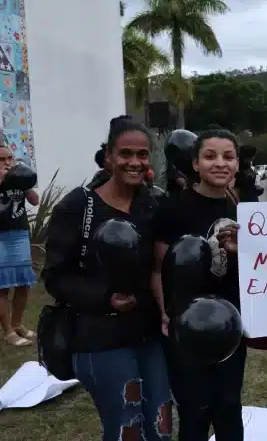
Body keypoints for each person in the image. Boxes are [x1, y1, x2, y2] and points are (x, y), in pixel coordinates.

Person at [42, 117, 171, 440]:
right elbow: (56, 277)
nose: (134, 162)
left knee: (161, 426)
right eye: (125, 153)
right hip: (99, 339)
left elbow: (162, 264)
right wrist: (104, 298)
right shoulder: (78, 206)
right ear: (109, 156)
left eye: (142, 155)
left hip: (148, 336)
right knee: (127, 429)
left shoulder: (154, 203)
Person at [152, 128, 246, 441]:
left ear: (237, 163)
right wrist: (166, 312)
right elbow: (159, 268)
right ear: (195, 164)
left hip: (231, 324)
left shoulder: (241, 209)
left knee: (229, 406)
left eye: (228, 156)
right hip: (187, 326)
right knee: (195, 410)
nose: (220, 163)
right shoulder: (173, 209)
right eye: (210, 156)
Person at [0, 146, 39, 347]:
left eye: (10, 158)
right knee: (3, 286)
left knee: (24, 283)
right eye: (2, 159)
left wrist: (24, 183)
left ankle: (17, 324)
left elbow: (35, 201)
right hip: (1, 236)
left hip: (20, 233)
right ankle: (8, 332)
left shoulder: (18, 177)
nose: (7, 163)